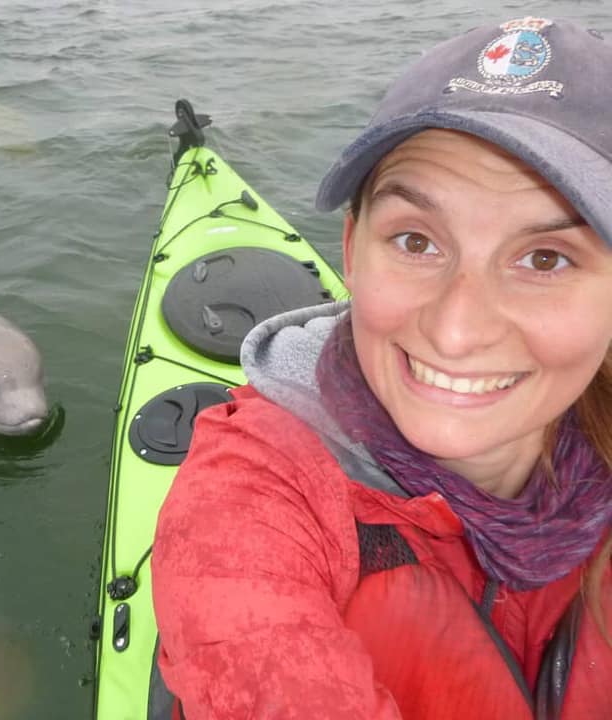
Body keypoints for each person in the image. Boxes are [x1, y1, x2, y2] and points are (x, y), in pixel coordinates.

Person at [151, 16, 612, 720]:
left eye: (544, 259)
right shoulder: (253, 498)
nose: (457, 332)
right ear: (353, 251)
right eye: (416, 240)